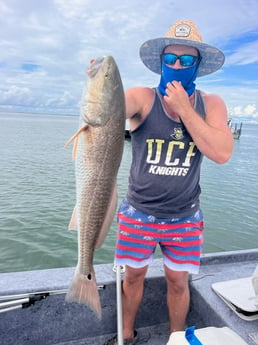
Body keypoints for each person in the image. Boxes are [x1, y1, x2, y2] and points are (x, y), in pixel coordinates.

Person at [104, 19, 234, 345]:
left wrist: (185, 110)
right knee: (133, 278)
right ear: (160, 62)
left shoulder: (212, 104)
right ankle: (127, 335)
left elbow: (221, 152)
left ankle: (176, 338)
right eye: (170, 59)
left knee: (178, 282)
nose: (177, 65)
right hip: (138, 213)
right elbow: (114, 107)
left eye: (186, 60)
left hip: (185, 216)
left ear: (198, 65)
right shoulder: (143, 98)